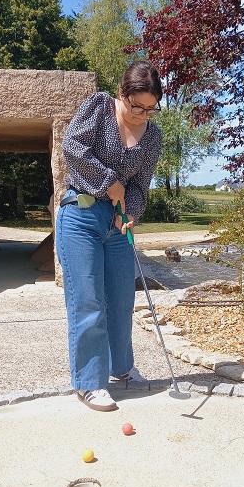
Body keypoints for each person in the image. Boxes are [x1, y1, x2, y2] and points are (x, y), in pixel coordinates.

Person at [56, 60, 163, 411]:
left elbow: (140, 185)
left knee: (121, 301)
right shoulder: (100, 107)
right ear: (122, 94)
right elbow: (72, 147)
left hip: (117, 226)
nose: (143, 114)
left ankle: (121, 369)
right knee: (88, 303)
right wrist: (109, 182)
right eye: (137, 106)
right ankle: (89, 382)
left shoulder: (153, 136)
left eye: (151, 108)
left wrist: (131, 212)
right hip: (81, 216)